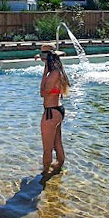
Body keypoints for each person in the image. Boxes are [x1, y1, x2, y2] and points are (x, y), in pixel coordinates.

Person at [38, 43, 70, 181]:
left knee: (47, 148)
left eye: (43, 54)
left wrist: (45, 71)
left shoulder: (53, 74)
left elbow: (43, 92)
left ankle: (45, 174)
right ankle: (58, 167)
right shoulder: (58, 71)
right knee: (57, 143)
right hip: (57, 110)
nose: (41, 56)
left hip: (51, 113)